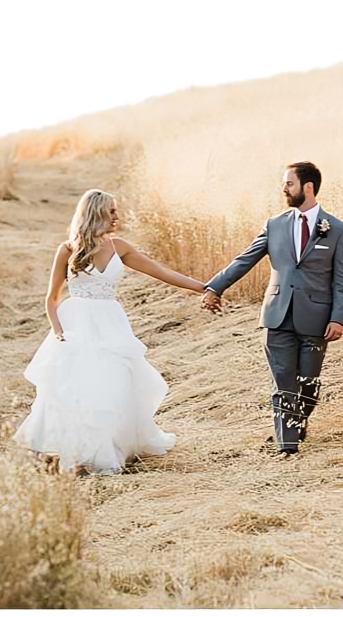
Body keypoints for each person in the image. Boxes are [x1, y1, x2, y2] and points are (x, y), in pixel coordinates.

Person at [14, 189, 205, 474]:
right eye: (112, 211)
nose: (117, 216)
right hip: (75, 324)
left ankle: (103, 450)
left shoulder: (120, 247)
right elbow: (51, 297)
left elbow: (161, 272)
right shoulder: (68, 250)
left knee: (112, 385)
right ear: (96, 212)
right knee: (73, 387)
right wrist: (57, 330)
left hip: (110, 324)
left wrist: (206, 287)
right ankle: (73, 456)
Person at [202, 161, 343, 458]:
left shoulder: (337, 230)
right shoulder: (274, 225)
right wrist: (215, 287)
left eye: (289, 183)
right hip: (277, 315)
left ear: (308, 187)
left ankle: (297, 423)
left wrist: (338, 318)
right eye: (284, 183)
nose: (284, 189)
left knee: (308, 384)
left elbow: (342, 279)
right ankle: (288, 445)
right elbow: (244, 259)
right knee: (283, 380)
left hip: (316, 319)